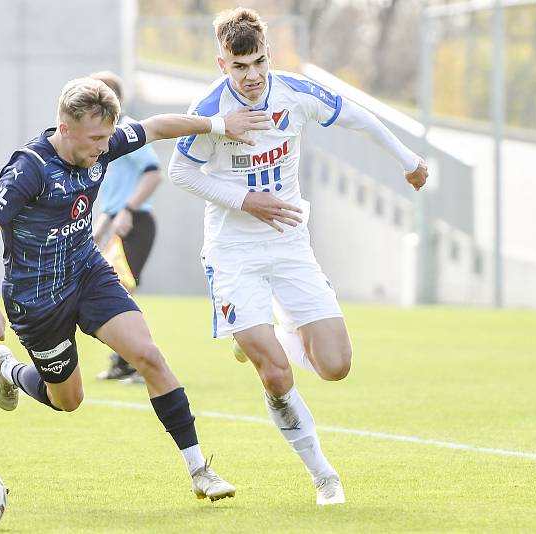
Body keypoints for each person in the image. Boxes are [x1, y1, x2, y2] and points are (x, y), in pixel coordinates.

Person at [0, 76, 270, 501]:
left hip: (88, 273)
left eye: (108, 136)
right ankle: (11, 370)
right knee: (67, 400)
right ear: (64, 127)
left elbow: (158, 127)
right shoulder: (29, 168)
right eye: (94, 138)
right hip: (36, 301)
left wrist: (218, 124)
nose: (103, 147)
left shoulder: (103, 145)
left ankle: (200, 470)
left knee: (148, 355)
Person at [167, 7, 428, 506]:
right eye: (240, 66)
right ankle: (324, 475)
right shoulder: (209, 110)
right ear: (222, 63)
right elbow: (181, 173)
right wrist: (245, 200)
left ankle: (269, 336)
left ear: (269, 55)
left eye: (259, 62)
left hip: (289, 243)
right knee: (276, 374)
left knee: (336, 365)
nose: (252, 75)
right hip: (233, 251)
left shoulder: (294, 93)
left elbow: (359, 116)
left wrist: (408, 162)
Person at [89, 71, 162, 385]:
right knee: (111, 291)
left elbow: (153, 173)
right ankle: (124, 361)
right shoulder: (103, 138)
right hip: (118, 221)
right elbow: (114, 192)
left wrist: (129, 211)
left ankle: (138, 362)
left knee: (119, 291)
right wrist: (100, 225)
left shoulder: (129, 132)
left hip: (136, 222)